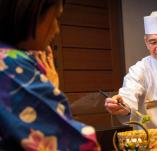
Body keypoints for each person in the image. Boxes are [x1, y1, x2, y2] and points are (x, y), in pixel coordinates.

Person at [0, 0, 100, 150]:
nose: (56, 29)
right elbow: (79, 144)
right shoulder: (9, 63)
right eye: (55, 17)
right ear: (30, 12)